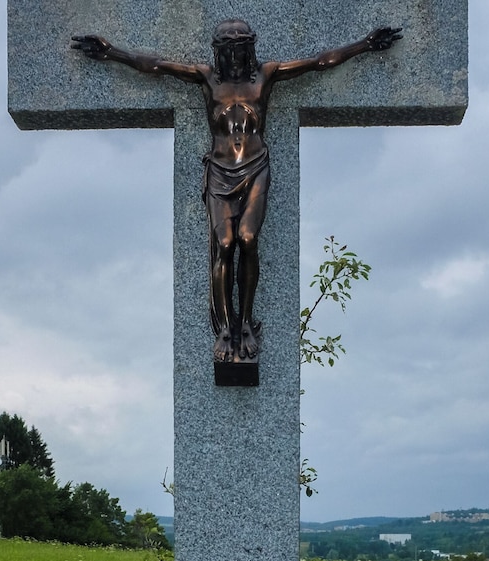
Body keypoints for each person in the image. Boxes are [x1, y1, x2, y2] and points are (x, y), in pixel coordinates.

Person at [72, 20, 401, 363]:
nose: (233, 58)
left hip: (255, 167)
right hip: (220, 171)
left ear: (249, 50)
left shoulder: (265, 76)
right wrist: (112, 53)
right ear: (218, 53)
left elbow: (318, 62)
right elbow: (156, 66)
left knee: (248, 238)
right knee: (225, 245)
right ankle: (225, 329)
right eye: (226, 52)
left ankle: (245, 323)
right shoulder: (207, 78)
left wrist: (365, 44)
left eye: (239, 51)